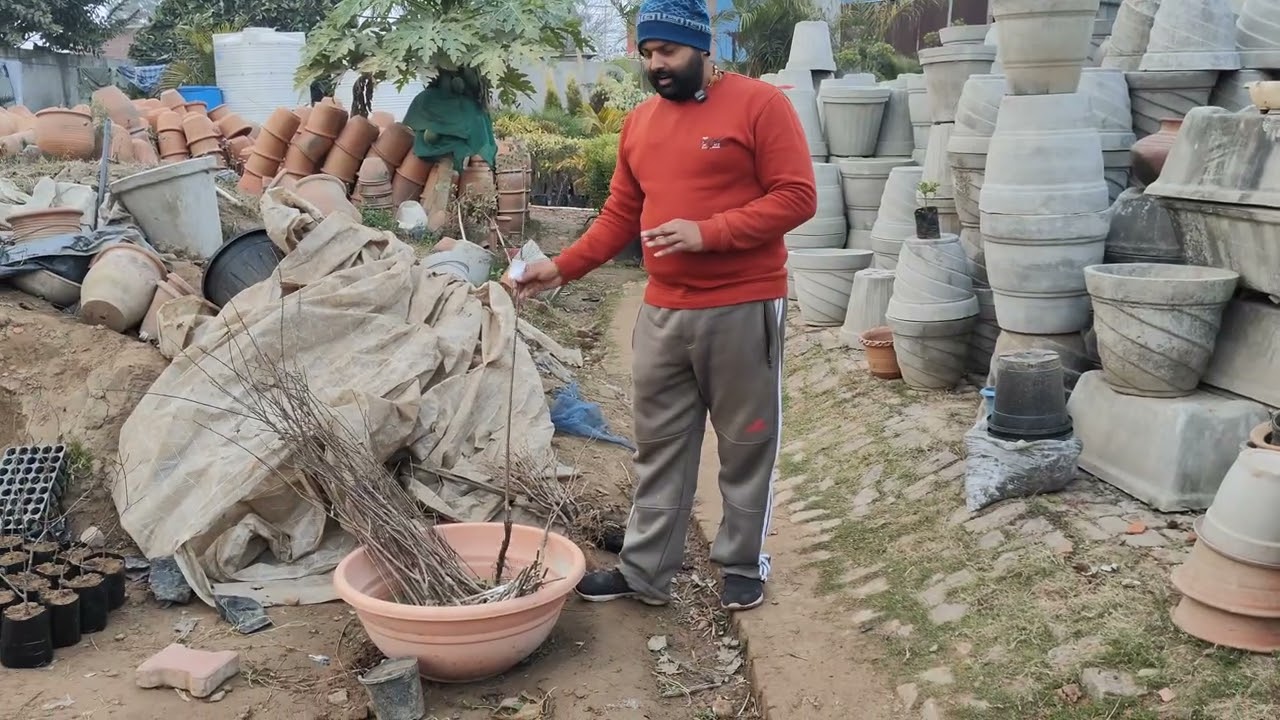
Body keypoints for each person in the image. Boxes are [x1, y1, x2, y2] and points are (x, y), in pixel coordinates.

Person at [513, 0, 817, 611]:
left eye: (669, 53)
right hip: (662, 312)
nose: (658, 66)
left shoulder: (761, 105)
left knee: (746, 440)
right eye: (648, 54)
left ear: (705, 49)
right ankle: (646, 571)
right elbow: (619, 217)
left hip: (743, 305)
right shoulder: (640, 124)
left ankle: (741, 562)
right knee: (659, 445)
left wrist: (711, 232)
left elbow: (798, 197)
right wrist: (561, 267)